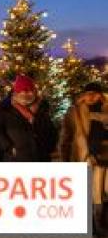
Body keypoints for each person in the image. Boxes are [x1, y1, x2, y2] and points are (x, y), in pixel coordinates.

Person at [60, 82, 108, 235]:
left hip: (105, 158)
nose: (91, 96)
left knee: (101, 194)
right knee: (88, 194)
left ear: (101, 95)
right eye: (88, 93)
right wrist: (65, 159)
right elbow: (65, 137)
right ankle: (92, 227)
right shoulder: (74, 112)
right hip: (84, 158)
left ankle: (100, 225)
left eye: (95, 93)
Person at [0, 74, 58, 162]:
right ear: (16, 92)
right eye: (21, 90)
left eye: (28, 90)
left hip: (41, 158)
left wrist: (49, 147)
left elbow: (50, 130)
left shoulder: (42, 108)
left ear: (34, 91)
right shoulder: (5, 110)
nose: (25, 93)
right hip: (17, 160)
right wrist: (10, 149)